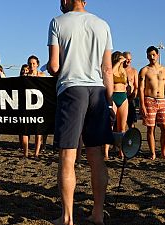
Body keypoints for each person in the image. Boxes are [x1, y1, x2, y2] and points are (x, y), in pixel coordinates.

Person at [48, 1, 114, 224]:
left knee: (68, 157)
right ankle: (97, 213)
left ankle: (67, 217)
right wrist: (111, 101)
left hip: (71, 89)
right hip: (97, 91)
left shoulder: (58, 22)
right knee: (96, 156)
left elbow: (55, 66)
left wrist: (50, 68)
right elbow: (107, 68)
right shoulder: (102, 24)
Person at [139, 46, 165, 160]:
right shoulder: (144, 70)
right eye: (149, 55)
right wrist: (142, 104)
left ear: (158, 55)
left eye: (153, 54)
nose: (151, 57)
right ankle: (153, 153)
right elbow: (141, 89)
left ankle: (163, 152)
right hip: (149, 100)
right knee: (150, 128)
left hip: (162, 101)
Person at [20, 55, 45, 158]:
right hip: (26, 106)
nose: (32, 65)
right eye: (30, 63)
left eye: (34, 63)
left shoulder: (42, 75)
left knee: (38, 131)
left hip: (39, 106)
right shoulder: (24, 77)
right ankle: (25, 152)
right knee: (25, 130)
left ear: (37, 64)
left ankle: (36, 152)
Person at [123, 51, 139, 128]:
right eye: (126, 59)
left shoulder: (134, 71)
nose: (128, 61)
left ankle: (131, 138)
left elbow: (136, 86)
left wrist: (133, 96)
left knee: (131, 122)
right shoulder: (119, 69)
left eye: (130, 59)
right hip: (121, 97)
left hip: (130, 99)